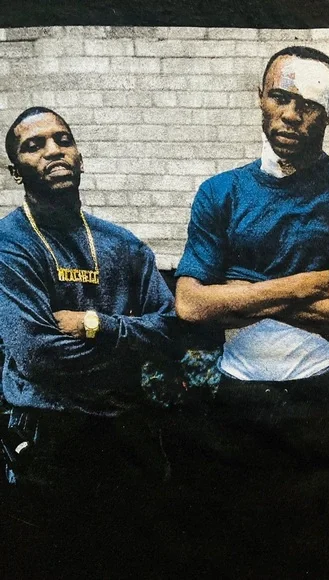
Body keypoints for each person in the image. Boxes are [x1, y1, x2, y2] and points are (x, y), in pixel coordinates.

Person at [174, 46, 329, 578]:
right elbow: (190, 304)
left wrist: (241, 293)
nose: (291, 115)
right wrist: (307, 283)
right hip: (238, 404)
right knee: (240, 557)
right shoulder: (220, 193)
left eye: (309, 105)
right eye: (280, 97)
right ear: (260, 97)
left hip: (328, 404)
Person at [0, 107, 178, 577]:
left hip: (126, 438)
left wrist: (97, 325)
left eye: (63, 140)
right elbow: (38, 354)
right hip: (50, 445)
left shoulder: (125, 246)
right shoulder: (9, 244)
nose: (53, 151)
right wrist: (132, 349)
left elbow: (172, 331)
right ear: (16, 171)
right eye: (34, 145)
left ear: (80, 156)